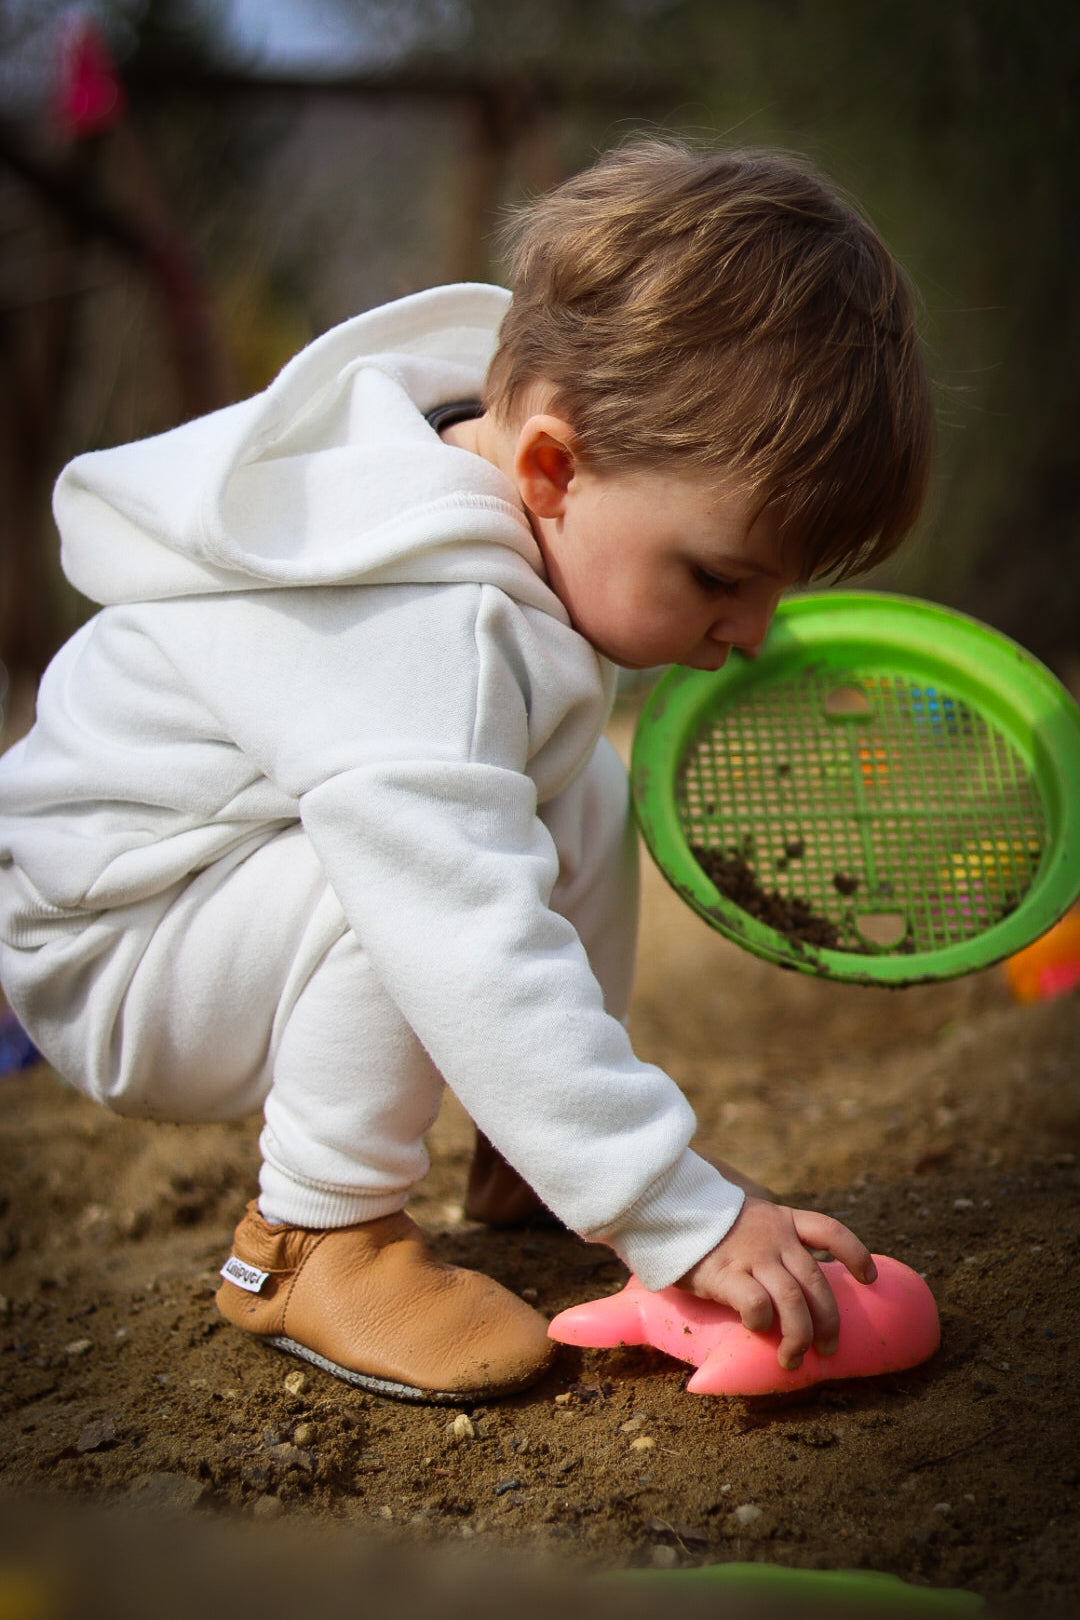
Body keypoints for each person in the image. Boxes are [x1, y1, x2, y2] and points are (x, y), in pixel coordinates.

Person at [0, 138, 934, 1403]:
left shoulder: (507, 492)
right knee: (410, 883)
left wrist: (590, 1159)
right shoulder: (418, 621)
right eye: (720, 577)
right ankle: (314, 1238)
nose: (753, 630)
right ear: (551, 466)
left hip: (204, 892)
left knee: (576, 794)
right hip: (115, 946)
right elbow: (459, 930)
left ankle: (525, 1155)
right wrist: (676, 1211)